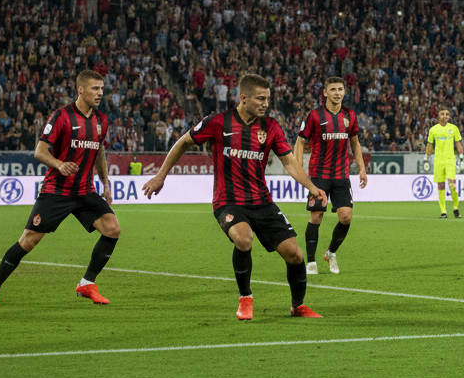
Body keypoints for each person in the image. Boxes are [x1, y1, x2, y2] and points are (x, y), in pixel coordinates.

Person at [143, 74, 327, 320]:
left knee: (295, 254)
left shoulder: (271, 127)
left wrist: (312, 187)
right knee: (243, 239)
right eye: (260, 99)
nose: (265, 103)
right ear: (244, 98)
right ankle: (245, 298)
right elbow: (183, 143)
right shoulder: (219, 122)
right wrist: (160, 176)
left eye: (268, 99)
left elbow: (289, 162)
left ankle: (298, 306)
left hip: (262, 201)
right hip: (227, 201)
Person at [0, 70, 122, 307]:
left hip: (85, 191)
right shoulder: (62, 116)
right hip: (56, 191)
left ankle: (87, 283)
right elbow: (40, 151)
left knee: (112, 229)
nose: (100, 93)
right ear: (80, 89)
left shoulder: (102, 120)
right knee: (28, 241)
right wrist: (59, 164)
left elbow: (99, 152)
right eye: (95, 88)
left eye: (102, 89)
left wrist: (106, 184)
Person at [294, 77, 368, 274]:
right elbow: (301, 141)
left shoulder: (350, 115)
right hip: (318, 175)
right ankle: (310, 261)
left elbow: (355, 142)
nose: (337, 93)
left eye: (340, 89)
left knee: (346, 217)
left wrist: (361, 167)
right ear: (325, 93)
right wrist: (298, 167)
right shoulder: (315, 116)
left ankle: (331, 252)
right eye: (333, 89)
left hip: (341, 174)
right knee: (316, 216)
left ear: (344, 92)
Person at [426, 109, 464, 218]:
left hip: (450, 160)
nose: (445, 116)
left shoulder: (453, 128)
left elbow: (458, 143)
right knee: (441, 186)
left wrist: (461, 158)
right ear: (438, 116)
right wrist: (426, 157)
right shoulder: (433, 130)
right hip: (438, 160)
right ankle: (443, 212)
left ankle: (455, 208)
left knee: (452, 185)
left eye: (447, 114)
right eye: (442, 114)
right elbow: (429, 145)